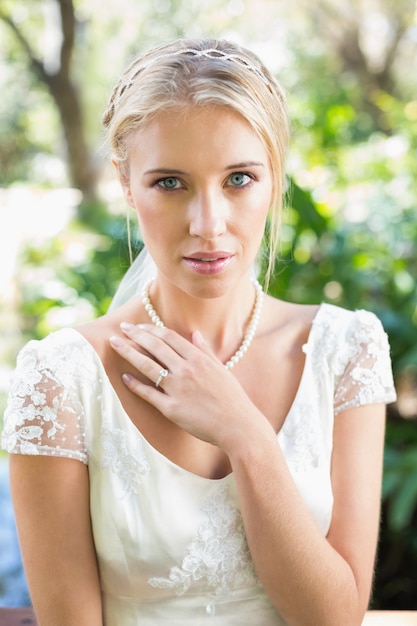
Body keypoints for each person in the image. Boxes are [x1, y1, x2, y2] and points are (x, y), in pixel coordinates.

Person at [1, 38, 396, 626]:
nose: (208, 224)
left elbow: (334, 617)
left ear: (274, 178)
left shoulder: (347, 351)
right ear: (126, 184)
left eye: (239, 178)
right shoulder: (60, 377)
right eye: (169, 182)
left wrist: (247, 436)